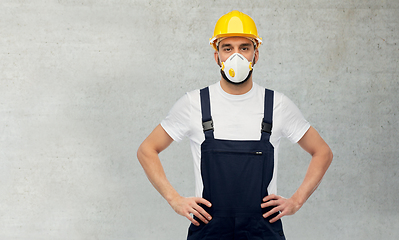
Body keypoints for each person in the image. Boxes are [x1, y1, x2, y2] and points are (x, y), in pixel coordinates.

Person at [137, 10, 333, 240]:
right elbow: (146, 150)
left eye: (244, 48)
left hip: (262, 231)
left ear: (256, 55)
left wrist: (297, 200)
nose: (235, 56)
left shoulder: (277, 104)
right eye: (227, 48)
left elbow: (322, 152)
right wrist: (174, 199)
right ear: (216, 56)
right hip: (209, 230)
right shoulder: (194, 103)